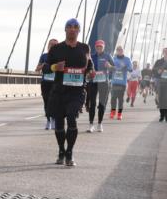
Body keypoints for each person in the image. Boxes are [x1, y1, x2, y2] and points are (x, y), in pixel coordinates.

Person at [46, 18, 93, 167]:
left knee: (72, 117)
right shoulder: (56, 49)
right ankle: (61, 150)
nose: (72, 29)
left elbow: (89, 65)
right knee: (59, 122)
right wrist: (55, 68)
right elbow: (46, 68)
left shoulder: (85, 48)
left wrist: (91, 72)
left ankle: (70, 153)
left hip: (77, 91)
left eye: (75, 27)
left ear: (79, 30)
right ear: (65, 29)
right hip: (59, 91)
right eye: (69, 27)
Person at [85, 39, 111, 133]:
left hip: (104, 83)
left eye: (101, 46)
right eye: (97, 46)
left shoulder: (107, 56)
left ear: (103, 47)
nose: (99, 48)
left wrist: (109, 66)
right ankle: (91, 125)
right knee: (92, 104)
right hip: (93, 82)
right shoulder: (92, 57)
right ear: (95, 47)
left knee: (101, 104)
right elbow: (87, 69)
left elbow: (115, 68)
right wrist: (89, 72)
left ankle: (100, 123)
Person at [34, 39, 58, 130]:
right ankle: (48, 120)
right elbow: (37, 69)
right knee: (46, 102)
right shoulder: (44, 56)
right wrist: (43, 65)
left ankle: (54, 119)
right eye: (51, 44)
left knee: (55, 102)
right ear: (48, 45)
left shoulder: (60, 56)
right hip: (45, 82)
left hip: (56, 82)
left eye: (55, 44)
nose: (53, 46)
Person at [108, 45, 132, 120]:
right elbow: (109, 68)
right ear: (116, 51)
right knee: (113, 98)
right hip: (114, 82)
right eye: (118, 50)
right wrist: (112, 67)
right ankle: (113, 112)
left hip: (122, 83)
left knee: (121, 99)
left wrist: (125, 66)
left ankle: (119, 114)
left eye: (121, 50)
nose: (119, 51)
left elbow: (130, 69)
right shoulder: (113, 58)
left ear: (123, 51)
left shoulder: (127, 59)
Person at [154, 47, 167, 122]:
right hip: (160, 82)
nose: (166, 53)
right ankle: (162, 115)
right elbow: (154, 70)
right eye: (164, 52)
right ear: (163, 53)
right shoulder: (159, 61)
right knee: (161, 99)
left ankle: (166, 115)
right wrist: (158, 71)